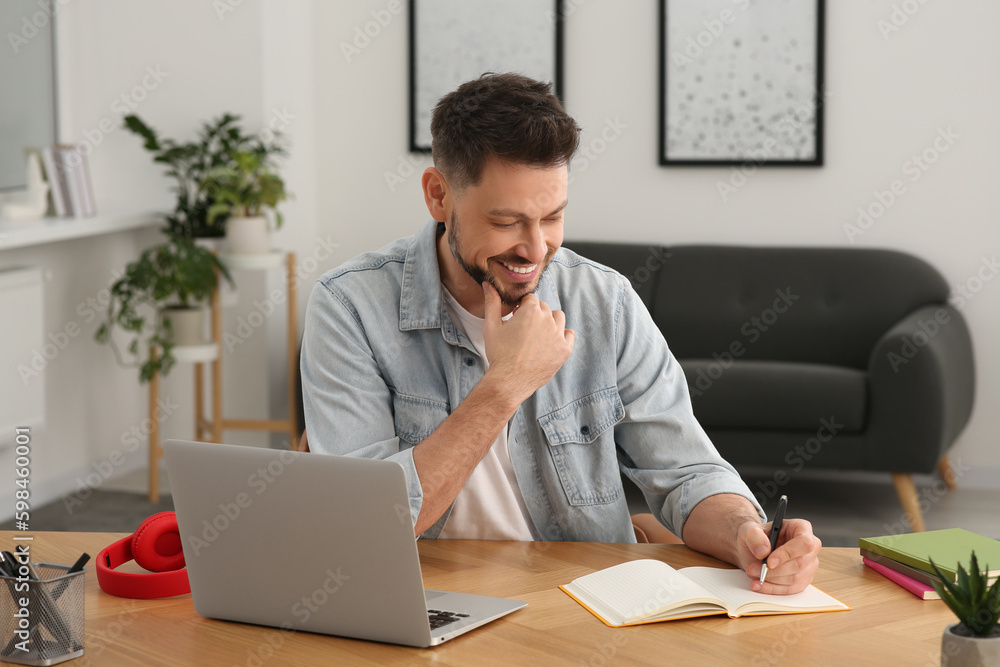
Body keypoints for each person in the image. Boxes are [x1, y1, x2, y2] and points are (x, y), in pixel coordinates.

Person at [301, 72, 821, 594]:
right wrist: (505, 384)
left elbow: (686, 472)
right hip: (428, 601)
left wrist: (746, 535)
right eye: (506, 222)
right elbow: (361, 526)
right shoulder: (349, 307)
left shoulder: (604, 301)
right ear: (439, 196)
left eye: (552, 216)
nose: (535, 249)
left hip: (586, 602)